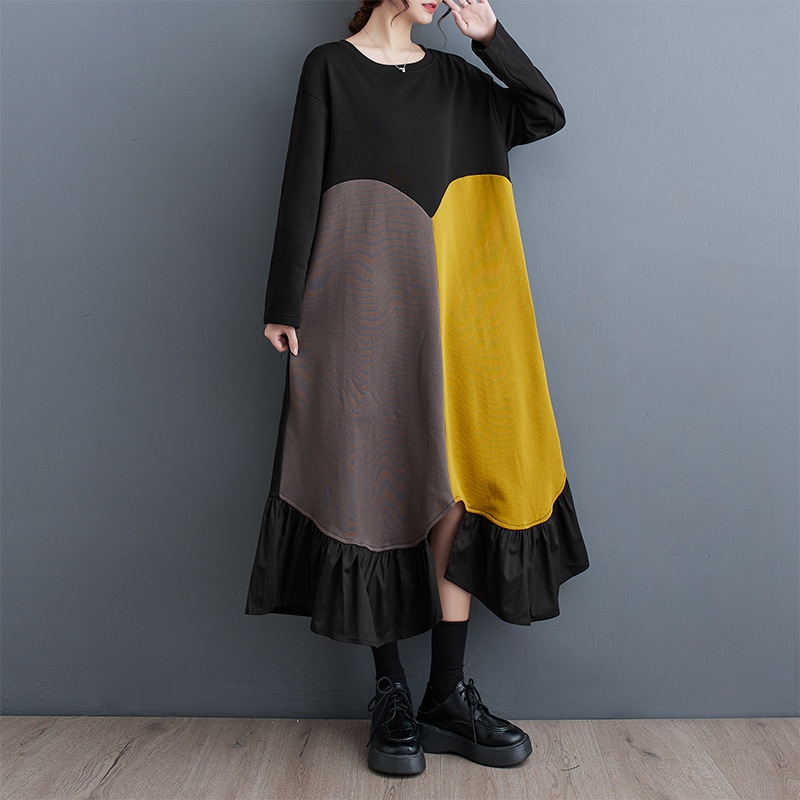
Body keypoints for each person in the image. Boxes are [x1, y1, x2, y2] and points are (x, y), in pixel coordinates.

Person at [245, 0, 589, 775]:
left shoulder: (459, 80)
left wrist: (490, 38)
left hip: (459, 311)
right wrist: (282, 304)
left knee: (452, 491)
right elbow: (302, 181)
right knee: (372, 486)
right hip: (357, 300)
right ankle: (391, 694)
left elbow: (543, 113)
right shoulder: (329, 68)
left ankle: (446, 693)